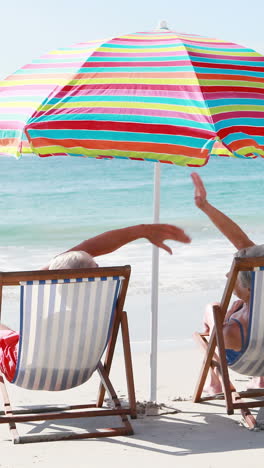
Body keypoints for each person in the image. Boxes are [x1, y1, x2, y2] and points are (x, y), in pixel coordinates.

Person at [0, 223, 191, 383]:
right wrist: (141, 231)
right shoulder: (105, 313)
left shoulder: (48, 317)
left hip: (25, 374)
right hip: (80, 373)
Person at [191, 172, 264, 393]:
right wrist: (205, 206)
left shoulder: (235, 328)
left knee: (208, 314)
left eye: (234, 278)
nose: (228, 278)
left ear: (249, 290)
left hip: (246, 362)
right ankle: (259, 380)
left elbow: (219, 339)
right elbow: (243, 244)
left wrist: (218, 317)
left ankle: (218, 382)